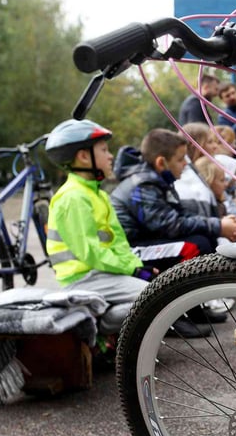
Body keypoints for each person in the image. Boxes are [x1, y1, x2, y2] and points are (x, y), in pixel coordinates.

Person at [43, 119, 157, 334]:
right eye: (104, 150)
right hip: (82, 279)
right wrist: (133, 271)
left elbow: (118, 242)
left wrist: (138, 267)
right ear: (84, 157)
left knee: (155, 289)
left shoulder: (98, 195)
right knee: (154, 297)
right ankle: (98, 328)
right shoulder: (73, 197)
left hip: (100, 274)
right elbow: (90, 251)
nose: (110, 155)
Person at [110, 128, 236, 266]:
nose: (185, 164)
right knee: (196, 246)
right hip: (131, 248)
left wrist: (218, 223)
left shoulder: (160, 181)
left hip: (147, 240)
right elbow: (169, 225)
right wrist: (218, 226)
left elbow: (181, 214)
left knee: (207, 238)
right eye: (180, 159)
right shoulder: (143, 185)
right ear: (161, 163)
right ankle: (185, 281)